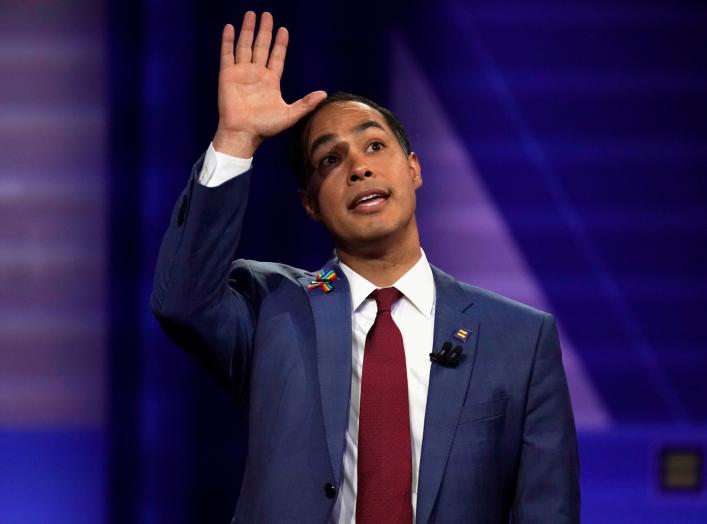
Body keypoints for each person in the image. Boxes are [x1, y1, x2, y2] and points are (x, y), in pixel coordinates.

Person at [151, 11, 580, 524]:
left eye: (375, 145)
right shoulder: (271, 309)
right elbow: (180, 299)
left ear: (413, 168)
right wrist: (236, 140)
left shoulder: (520, 339)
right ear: (310, 204)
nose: (359, 166)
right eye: (331, 161)